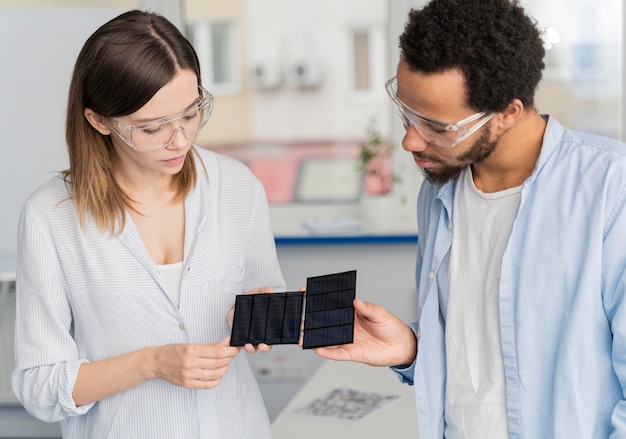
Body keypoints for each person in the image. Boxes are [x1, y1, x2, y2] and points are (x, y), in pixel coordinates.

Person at [313, 0, 626, 437]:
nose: (409, 140)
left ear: (507, 113)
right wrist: (411, 349)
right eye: (407, 113)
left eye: (436, 127)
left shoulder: (612, 190)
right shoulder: (439, 192)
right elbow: (481, 354)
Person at [11, 10, 284, 439]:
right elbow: (39, 389)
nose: (180, 140)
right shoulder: (51, 217)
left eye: (191, 114)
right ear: (99, 121)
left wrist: (265, 313)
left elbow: (265, 296)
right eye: (153, 128)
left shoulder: (236, 187)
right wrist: (153, 363)